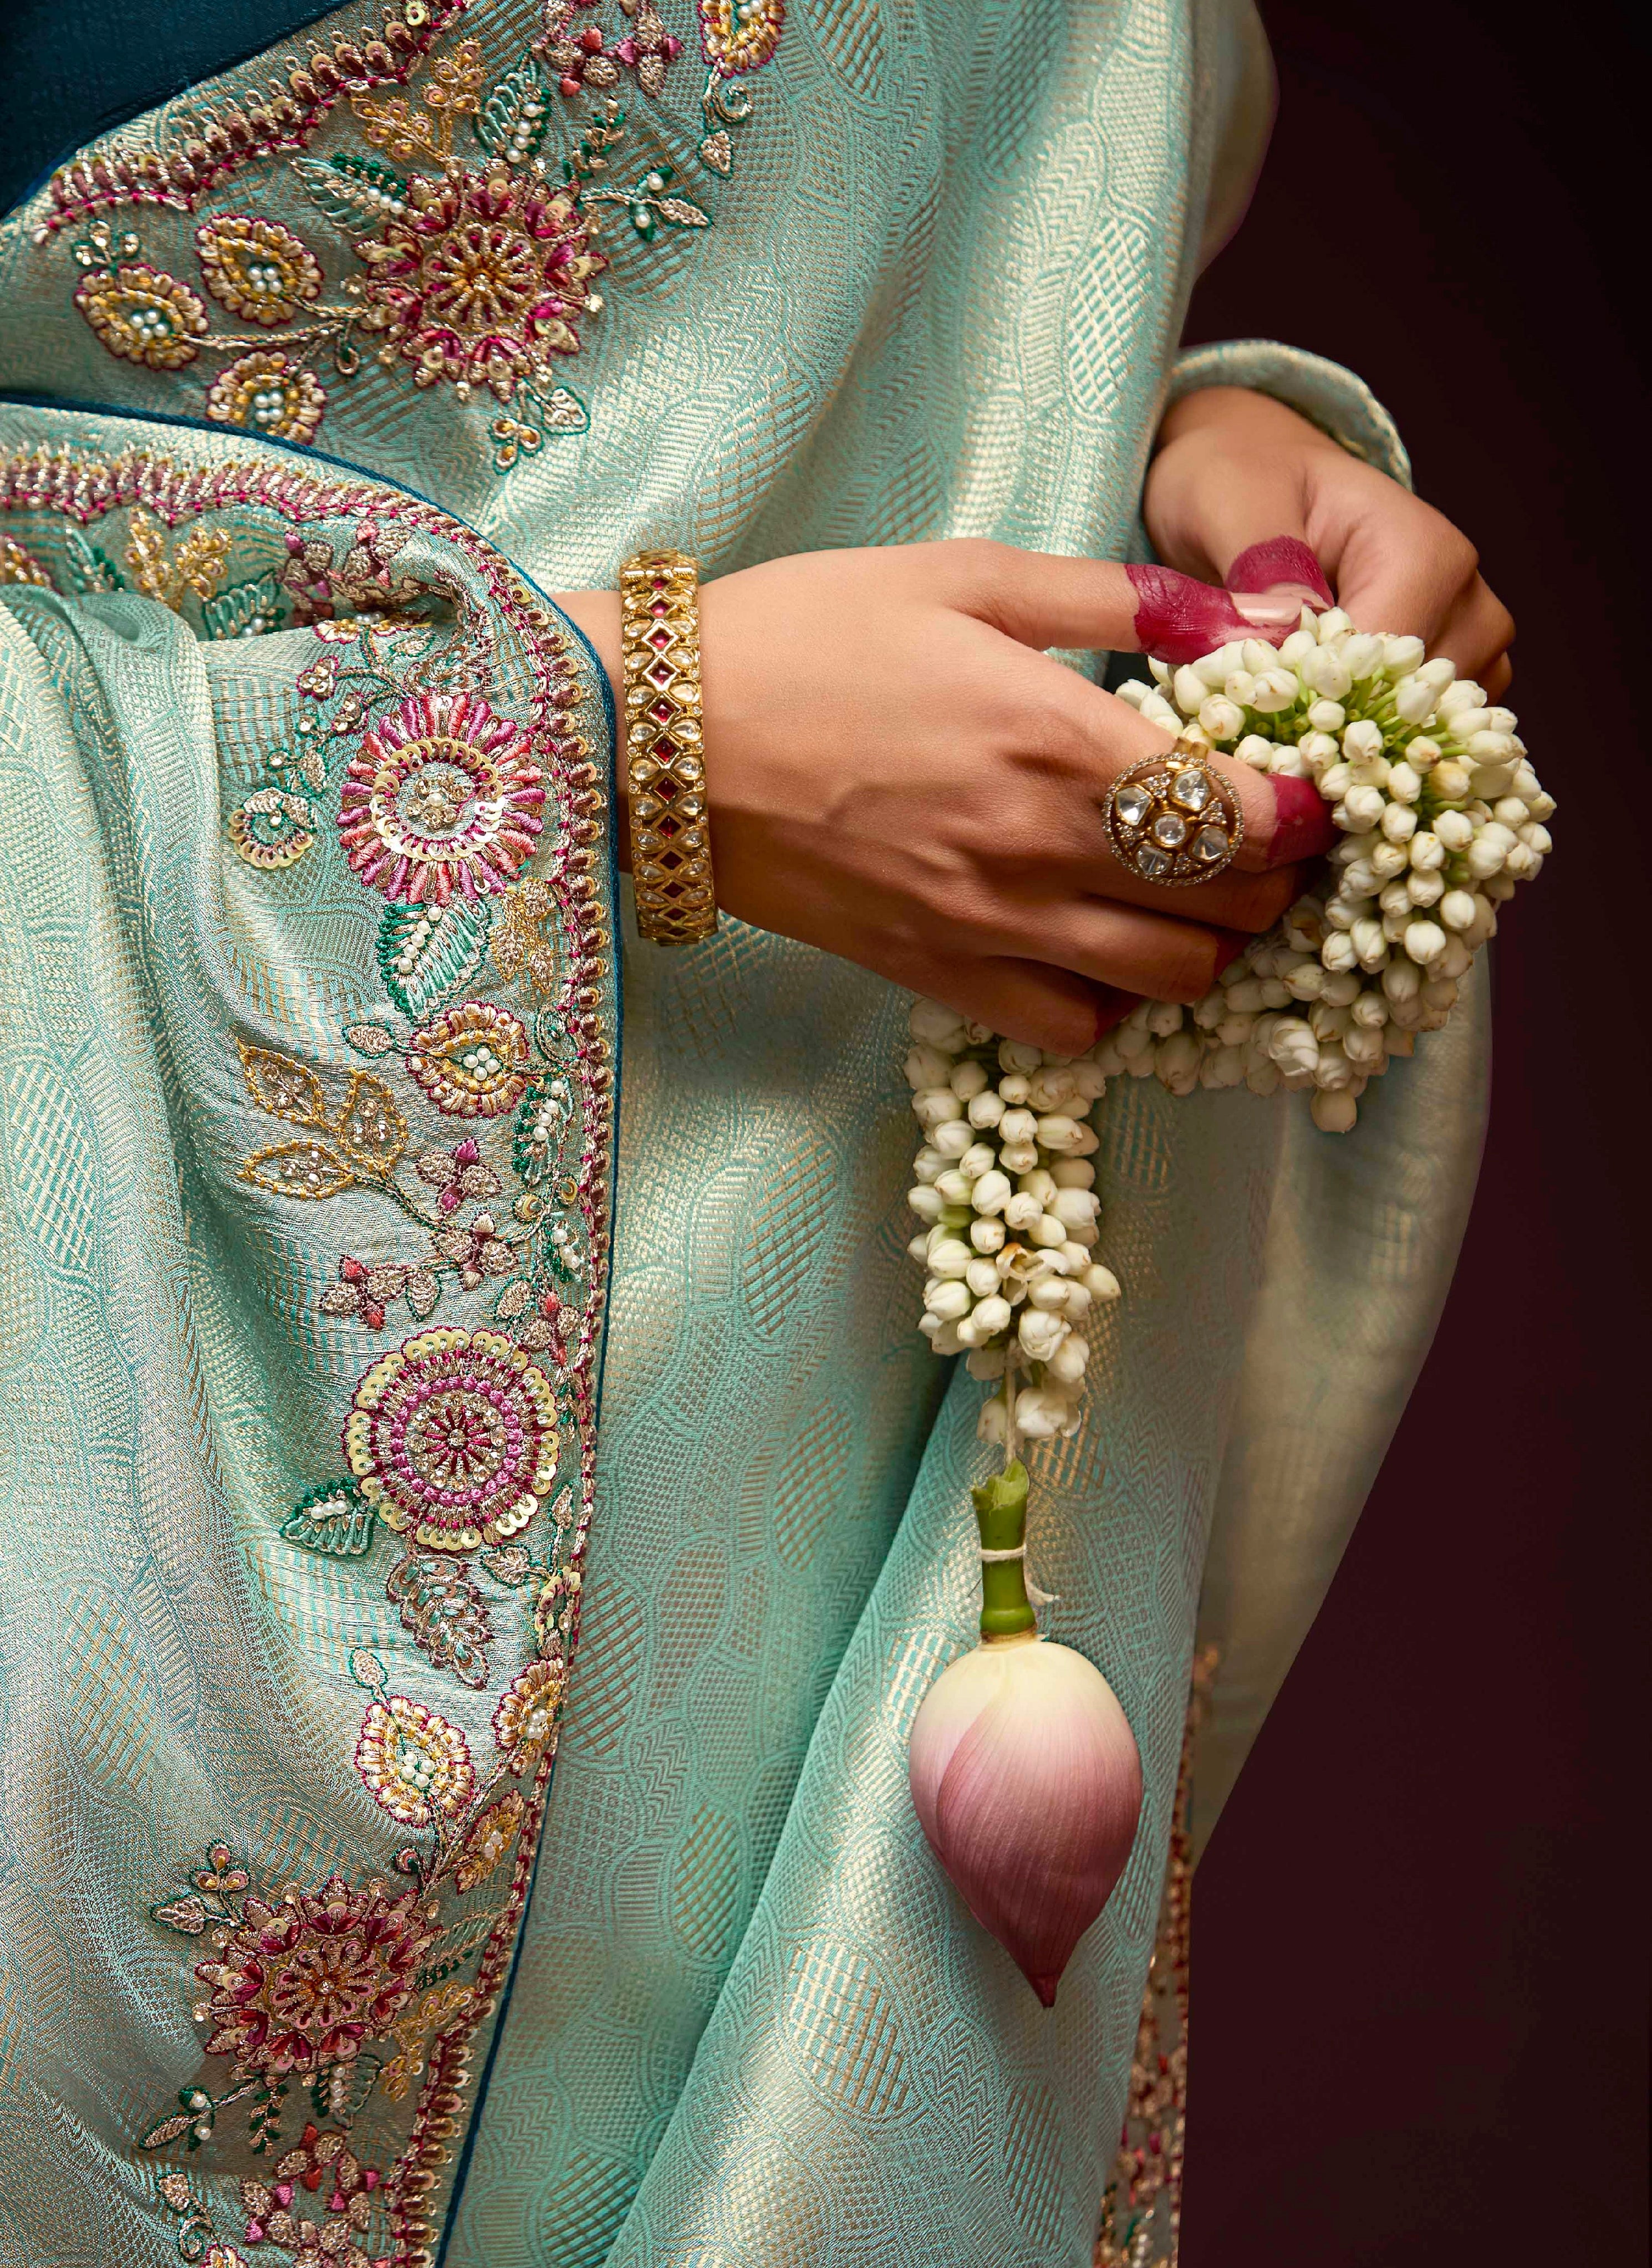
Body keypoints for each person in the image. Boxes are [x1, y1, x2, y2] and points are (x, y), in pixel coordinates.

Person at [0, 2, 1509, 2262]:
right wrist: (597, 725)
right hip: (187, 1451)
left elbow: (896, 310)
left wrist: (1173, 459)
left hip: (849, 1390)